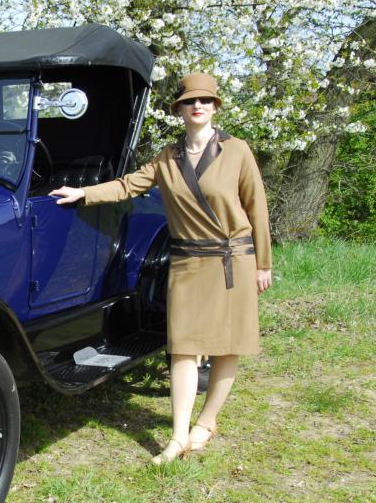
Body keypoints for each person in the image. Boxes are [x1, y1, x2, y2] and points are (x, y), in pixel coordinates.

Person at [50, 72, 273, 465]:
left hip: (232, 260)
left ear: (215, 107)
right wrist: (84, 192)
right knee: (183, 347)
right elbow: (127, 186)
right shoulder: (167, 158)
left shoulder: (237, 151)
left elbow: (257, 209)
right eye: (190, 101)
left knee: (228, 346)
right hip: (187, 262)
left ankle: (207, 421)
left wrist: (263, 264)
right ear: (180, 110)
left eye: (205, 100)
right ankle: (178, 436)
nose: (198, 106)